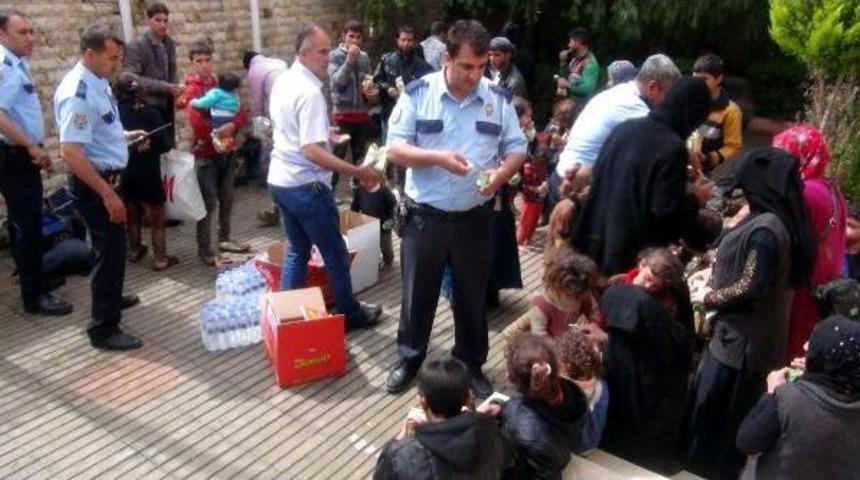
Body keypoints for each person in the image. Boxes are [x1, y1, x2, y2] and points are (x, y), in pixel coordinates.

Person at [384, 20, 528, 398]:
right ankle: (410, 358)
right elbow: (394, 148)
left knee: (472, 296)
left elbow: (517, 147)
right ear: (447, 59)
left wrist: (501, 175)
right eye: (466, 66)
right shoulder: (419, 94)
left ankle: (471, 363)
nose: (475, 75)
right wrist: (437, 158)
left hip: (475, 218)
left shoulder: (497, 98)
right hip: (424, 217)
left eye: (481, 66)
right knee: (417, 295)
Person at [686, 147, 816, 480]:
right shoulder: (775, 220)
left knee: (717, 423)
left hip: (740, 349)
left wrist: (709, 297)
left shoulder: (765, 232)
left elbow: (750, 286)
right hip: (747, 342)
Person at [268, 24, 382, 333]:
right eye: (321, 52)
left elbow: (291, 131)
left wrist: (325, 134)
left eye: (328, 51)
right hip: (306, 186)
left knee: (297, 250)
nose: (327, 58)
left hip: (281, 181)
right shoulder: (309, 93)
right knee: (335, 254)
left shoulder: (284, 80)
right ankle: (350, 314)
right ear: (303, 54)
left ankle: (287, 319)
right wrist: (357, 171)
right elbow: (310, 151)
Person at [53, 24, 145, 350]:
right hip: (96, 185)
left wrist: (125, 137)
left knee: (112, 249)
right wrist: (107, 194)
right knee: (108, 252)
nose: (117, 64)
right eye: (112, 58)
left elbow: (100, 131)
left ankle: (112, 297)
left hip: (109, 178)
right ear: (90, 54)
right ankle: (104, 328)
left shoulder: (98, 81)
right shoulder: (77, 93)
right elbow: (71, 152)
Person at [571, 77, 712, 276]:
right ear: (692, 116)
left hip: (592, 237)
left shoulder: (625, 128)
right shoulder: (673, 148)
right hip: (626, 257)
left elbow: (606, 174)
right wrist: (695, 198)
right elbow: (665, 214)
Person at [584, 248, 694, 474]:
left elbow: (667, 345)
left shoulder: (668, 301)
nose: (648, 287)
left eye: (655, 285)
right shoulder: (619, 286)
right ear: (641, 264)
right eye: (647, 278)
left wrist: (606, 338)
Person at [0, 9, 73, 316]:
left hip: (20, 155)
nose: (30, 38)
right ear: (3, 34)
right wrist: (30, 146)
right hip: (15, 156)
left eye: (32, 31)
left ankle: (36, 279)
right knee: (27, 225)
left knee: (29, 222)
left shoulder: (17, 63)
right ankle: (34, 297)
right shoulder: (5, 67)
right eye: (22, 32)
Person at [550, 54, 682, 208]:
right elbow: (666, 148)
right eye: (668, 95)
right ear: (652, 87)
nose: (669, 102)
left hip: (562, 177)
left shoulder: (617, 92)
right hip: (576, 191)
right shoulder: (635, 106)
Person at [737, 315, 860, 480]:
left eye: (813, 341)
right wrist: (816, 370)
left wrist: (772, 392)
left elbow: (747, 441)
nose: (805, 345)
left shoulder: (789, 399)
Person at [773, 125, 847, 360]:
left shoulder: (804, 193)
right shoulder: (830, 188)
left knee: (790, 351)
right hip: (823, 287)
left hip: (803, 289)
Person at [373, 354, 508, 480]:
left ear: (423, 401)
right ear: (467, 398)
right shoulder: (492, 431)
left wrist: (401, 437)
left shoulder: (401, 456)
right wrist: (478, 415)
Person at [180, 40, 249, 265]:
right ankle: (204, 248)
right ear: (192, 63)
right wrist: (218, 131)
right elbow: (197, 122)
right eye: (199, 61)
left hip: (227, 150)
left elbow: (241, 111)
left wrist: (233, 125)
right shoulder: (191, 90)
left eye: (207, 60)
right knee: (208, 203)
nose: (204, 65)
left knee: (227, 197)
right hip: (206, 155)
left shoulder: (222, 84)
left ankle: (225, 239)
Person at [500, 334, 588, 479]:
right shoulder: (574, 392)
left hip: (539, 464)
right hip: (561, 453)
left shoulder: (518, 418)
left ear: (510, 378)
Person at [114, 72, 177, 271]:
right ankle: (160, 259)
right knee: (157, 217)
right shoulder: (151, 113)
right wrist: (150, 145)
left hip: (125, 170)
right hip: (148, 171)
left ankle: (135, 250)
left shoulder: (114, 114)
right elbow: (165, 145)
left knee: (131, 213)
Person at [372, 25, 433, 189]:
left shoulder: (421, 65)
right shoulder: (387, 60)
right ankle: (387, 184)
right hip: (390, 112)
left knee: (407, 150)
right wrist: (387, 88)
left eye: (409, 40)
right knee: (388, 149)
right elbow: (377, 80)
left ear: (414, 42)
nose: (406, 43)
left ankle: (403, 186)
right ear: (397, 40)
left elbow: (431, 85)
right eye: (403, 39)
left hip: (413, 115)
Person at [502, 245, 601, 339]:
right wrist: (562, 346)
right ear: (556, 288)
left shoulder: (581, 290)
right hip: (551, 344)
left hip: (571, 336)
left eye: (579, 297)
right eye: (571, 297)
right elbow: (540, 337)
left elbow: (593, 310)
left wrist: (593, 324)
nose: (577, 299)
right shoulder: (542, 306)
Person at [122, 2, 183, 151]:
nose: (163, 24)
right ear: (148, 20)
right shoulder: (137, 45)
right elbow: (129, 77)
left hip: (166, 105)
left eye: (165, 20)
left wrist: (176, 89)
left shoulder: (169, 43)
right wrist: (164, 87)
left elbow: (172, 70)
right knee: (155, 147)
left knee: (168, 148)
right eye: (158, 20)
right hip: (146, 106)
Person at [329, 20, 375, 189]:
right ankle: (330, 189)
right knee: (338, 155)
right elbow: (336, 83)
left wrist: (371, 93)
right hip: (342, 114)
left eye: (358, 37)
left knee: (360, 155)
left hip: (361, 113)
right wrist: (349, 61)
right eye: (351, 36)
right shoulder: (335, 56)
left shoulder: (364, 57)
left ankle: (357, 188)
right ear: (344, 36)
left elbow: (368, 81)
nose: (354, 40)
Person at [244, 50, 287, 226]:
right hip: (292, 111)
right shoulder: (277, 62)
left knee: (274, 157)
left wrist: (259, 127)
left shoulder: (254, 70)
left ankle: (277, 207)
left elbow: (257, 102)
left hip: (277, 115)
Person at [557, 328, 609, 454]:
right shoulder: (602, 386)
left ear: (565, 368)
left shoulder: (566, 395)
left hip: (574, 446)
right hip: (592, 442)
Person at [690, 53, 743, 173]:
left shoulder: (731, 111)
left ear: (719, 79)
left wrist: (709, 158)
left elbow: (733, 146)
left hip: (706, 170)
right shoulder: (688, 99)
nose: (698, 84)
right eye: (695, 78)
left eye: (704, 79)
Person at [351, 174, 397, 270]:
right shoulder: (360, 190)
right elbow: (355, 206)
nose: (363, 183)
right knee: (370, 246)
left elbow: (393, 206)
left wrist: (391, 219)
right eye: (362, 180)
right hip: (368, 224)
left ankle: (388, 261)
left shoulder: (385, 191)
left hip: (383, 225)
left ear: (375, 179)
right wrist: (354, 218)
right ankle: (374, 262)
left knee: (386, 248)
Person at [556, 28, 599, 103]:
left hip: (582, 105)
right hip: (570, 103)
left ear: (580, 41)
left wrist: (568, 85)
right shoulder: (575, 59)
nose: (568, 45)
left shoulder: (590, 63)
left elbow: (588, 88)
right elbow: (565, 77)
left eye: (570, 41)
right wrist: (563, 62)